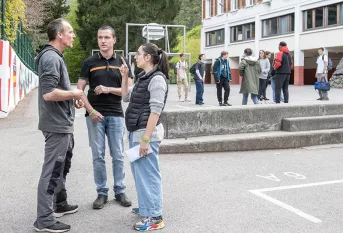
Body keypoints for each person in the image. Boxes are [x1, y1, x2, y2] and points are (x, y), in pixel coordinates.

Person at [34, 18, 83, 233]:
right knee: (52, 170)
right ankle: (44, 220)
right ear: (59, 35)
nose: (73, 35)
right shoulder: (51, 58)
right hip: (56, 125)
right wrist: (73, 93)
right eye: (70, 32)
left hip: (62, 123)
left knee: (62, 166)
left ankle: (59, 203)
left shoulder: (55, 57)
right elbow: (48, 93)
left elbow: (57, 90)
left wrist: (72, 98)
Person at [76, 26, 132, 210]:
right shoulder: (89, 62)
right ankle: (101, 192)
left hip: (115, 113)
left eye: (107, 37)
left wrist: (108, 89)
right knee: (98, 155)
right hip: (94, 115)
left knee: (117, 154)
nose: (103, 41)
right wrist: (90, 110)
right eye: (100, 37)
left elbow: (127, 91)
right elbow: (79, 90)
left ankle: (119, 190)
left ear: (114, 40)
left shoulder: (123, 63)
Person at [121, 43, 168, 231]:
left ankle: (155, 216)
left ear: (148, 57)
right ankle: (147, 207)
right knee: (139, 173)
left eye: (138, 54)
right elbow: (125, 97)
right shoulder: (143, 77)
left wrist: (146, 139)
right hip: (136, 131)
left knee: (149, 175)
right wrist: (124, 76)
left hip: (145, 134)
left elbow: (156, 111)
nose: (135, 57)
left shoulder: (157, 80)